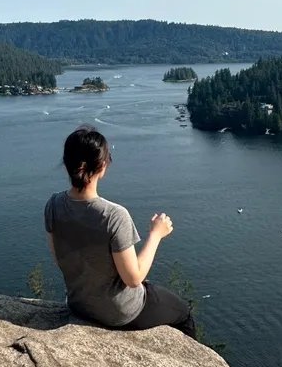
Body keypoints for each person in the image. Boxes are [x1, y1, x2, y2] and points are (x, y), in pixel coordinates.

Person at [44, 125, 195, 338]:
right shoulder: (113, 216)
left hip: (78, 304)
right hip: (119, 313)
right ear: (103, 165)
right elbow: (133, 279)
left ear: (67, 164)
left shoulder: (53, 205)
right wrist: (156, 234)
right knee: (183, 313)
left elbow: (60, 260)